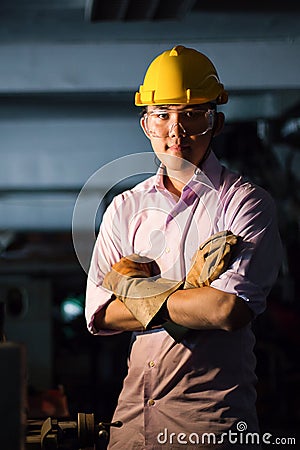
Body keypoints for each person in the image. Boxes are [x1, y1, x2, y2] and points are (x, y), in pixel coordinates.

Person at [85, 45, 282, 449]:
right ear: (147, 125)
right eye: (163, 115)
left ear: (217, 122)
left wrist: (134, 292)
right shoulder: (125, 208)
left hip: (210, 426)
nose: (176, 131)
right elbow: (102, 315)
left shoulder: (244, 203)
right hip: (131, 425)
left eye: (192, 114)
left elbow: (228, 310)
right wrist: (196, 291)